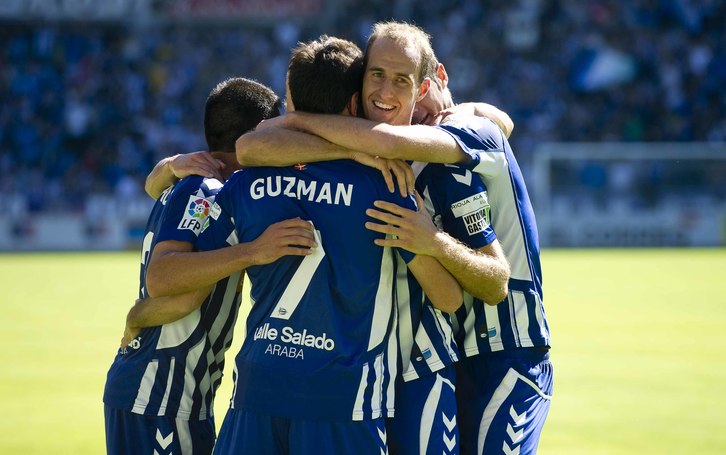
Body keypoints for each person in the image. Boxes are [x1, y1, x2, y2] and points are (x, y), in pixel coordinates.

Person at [240, 21, 552, 455]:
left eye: (405, 81)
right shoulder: (378, 160)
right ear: (360, 84)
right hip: (400, 364)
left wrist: (432, 241)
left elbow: (492, 282)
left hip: (504, 346)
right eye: (377, 75)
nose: (388, 90)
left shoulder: (458, 138)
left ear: (429, 83)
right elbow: (250, 148)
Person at [199, 35, 464, 454]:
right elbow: (448, 297)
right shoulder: (385, 184)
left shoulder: (245, 182)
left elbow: (179, 268)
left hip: (256, 391)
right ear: (354, 105)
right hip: (344, 400)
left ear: (292, 100)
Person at [102, 77, 317, 455]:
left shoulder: (200, 182)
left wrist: (169, 165)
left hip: (167, 397)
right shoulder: (206, 189)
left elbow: (155, 187)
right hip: (159, 397)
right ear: (252, 137)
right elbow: (163, 276)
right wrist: (253, 251)